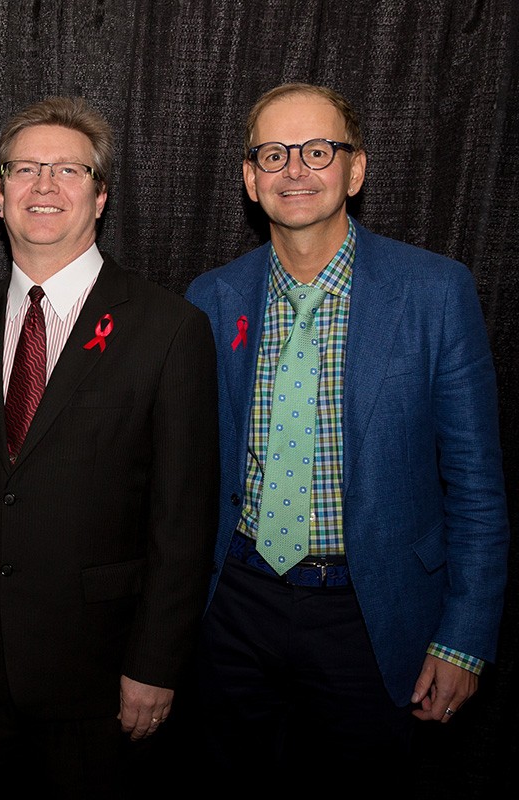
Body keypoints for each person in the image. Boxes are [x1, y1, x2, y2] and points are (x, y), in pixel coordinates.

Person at [184, 83, 510, 787]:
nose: (295, 170)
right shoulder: (211, 300)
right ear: (249, 177)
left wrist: (465, 637)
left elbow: (477, 485)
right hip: (236, 607)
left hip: (373, 614)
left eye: (318, 150)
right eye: (274, 154)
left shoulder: (434, 293)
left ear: (355, 169)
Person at [0, 96, 220, 797]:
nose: (44, 185)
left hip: (100, 674)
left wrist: (157, 664)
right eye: (24, 169)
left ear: (100, 196)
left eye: (68, 170)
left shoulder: (169, 329)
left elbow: (183, 520)